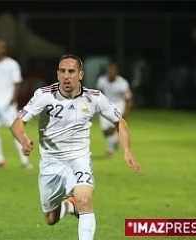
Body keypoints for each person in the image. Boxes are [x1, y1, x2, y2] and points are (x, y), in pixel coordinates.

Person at [11, 54, 142, 240]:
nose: (66, 76)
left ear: (80, 75)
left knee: (85, 200)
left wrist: (127, 150)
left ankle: (77, 204)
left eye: (71, 71)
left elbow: (119, 122)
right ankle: (70, 205)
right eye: (62, 71)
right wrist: (24, 139)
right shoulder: (44, 95)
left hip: (78, 159)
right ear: (57, 74)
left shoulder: (94, 98)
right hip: (50, 163)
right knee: (50, 219)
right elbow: (17, 123)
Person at [0, 39, 32, 169]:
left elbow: (17, 83)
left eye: (1, 48)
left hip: (7, 103)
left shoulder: (12, 64)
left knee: (15, 130)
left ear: (5, 49)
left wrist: (14, 99)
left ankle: (24, 161)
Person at [96, 63, 133, 156]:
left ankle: (110, 149)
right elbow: (98, 94)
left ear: (116, 72)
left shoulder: (122, 83)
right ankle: (115, 142)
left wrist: (125, 112)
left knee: (112, 128)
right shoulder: (102, 80)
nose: (111, 73)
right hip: (106, 105)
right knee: (105, 131)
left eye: (113, 71)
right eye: (109, 71)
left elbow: (129, 99)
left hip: (118, 105)